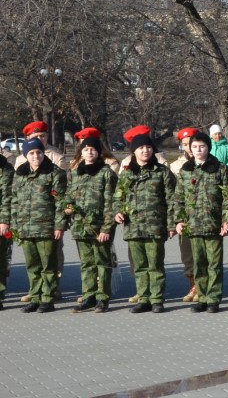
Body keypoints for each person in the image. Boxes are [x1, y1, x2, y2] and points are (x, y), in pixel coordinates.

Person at [113, 133, 177, 314]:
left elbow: (172, 199)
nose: (145, 151)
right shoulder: (126, 174)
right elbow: (118, 197)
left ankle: (157, 299)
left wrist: (172, 224)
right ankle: (144, 298)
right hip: (134, 227)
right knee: (139, 266)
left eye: (148, 147)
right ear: (134, 151)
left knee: (155, 264)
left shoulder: (162, 172)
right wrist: (117, 211)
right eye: (141, 148)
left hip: (155, 225)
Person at [10, 139, 67, 312]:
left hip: (46, 227)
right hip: (26, 228)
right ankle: (35, 297)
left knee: (48, 265)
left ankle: (47, 299)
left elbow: (61, 202)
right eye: (31, 153)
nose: (36, 156)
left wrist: (59, 226)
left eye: (39, 152)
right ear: (26, 156)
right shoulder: (20, 174)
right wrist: (15, 225)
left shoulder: (55, 173)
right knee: (32, 265)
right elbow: (14, 200)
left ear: (44, 153)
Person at [176, 131, 228, 312]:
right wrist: (179, 220)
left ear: (208, 147)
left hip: (213, 224)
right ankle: (203, 296)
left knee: (214, 263)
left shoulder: (220, 168)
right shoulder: (185, 170)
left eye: (202, 146)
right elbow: (179, 198)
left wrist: (226, 220)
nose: (198, 150)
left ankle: (213, 298)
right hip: (193, 225)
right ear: (190, 149)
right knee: (198, 263)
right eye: (194, 147)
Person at [66, 133, 117, 313]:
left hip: (99, 227)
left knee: (102, 262)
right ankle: (88, 295)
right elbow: (69, 196)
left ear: (99, 152)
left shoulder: (106, 173)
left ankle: (103, 297)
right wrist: (68, 207)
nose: (89, 153)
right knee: (86, 263)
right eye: (86, 150)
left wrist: (107, 228)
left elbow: (112, 203)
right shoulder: (75, 173)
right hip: (80, 227)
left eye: (93, 150)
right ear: (81, 152)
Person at [170, 127, 199, 303]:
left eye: (192, 144)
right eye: (186, 144)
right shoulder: (175, 166)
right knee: (188, 256)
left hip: (202, 217)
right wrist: (176, 219)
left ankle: (202, 288)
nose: (189, 147)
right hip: (185, 216)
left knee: (203, 254)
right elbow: (175, 195)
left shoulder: (207, 161)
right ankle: (192, 286)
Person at [0, 153, 12, 309]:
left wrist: (4, 220)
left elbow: (7, 197)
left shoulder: (5, 168)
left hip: (0, 222)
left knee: (1, 259)